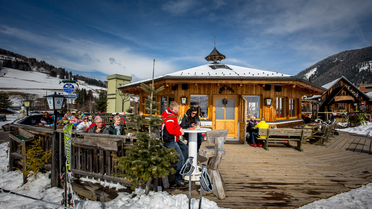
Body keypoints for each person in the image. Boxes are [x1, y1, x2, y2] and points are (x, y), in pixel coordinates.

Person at [160, 101, 188, 188]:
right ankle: (178, 180)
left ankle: (181, 167)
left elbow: (176, 125)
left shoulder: (172, 115)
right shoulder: (169, 117)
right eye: (178, 108)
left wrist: (180, 129)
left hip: (174, 139)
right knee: (181, 158)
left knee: (186, 149)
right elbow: (171, 131)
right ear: (175, 108)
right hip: (169, 140)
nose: (179, 109)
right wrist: (180, 133)